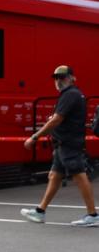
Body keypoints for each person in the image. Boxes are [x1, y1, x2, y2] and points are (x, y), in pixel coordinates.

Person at [21, 65, 97, 227]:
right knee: (54, 176)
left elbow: (56, 120)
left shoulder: (70, 95)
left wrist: (34, 137)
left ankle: (93, 214)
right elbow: (59, 118)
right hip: (64, 144)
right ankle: (40, 212)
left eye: (62, 77)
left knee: (79, 175)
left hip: (68, 143)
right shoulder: (72, 95)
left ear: (71, 78)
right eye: (56, 77)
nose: (58, 80)